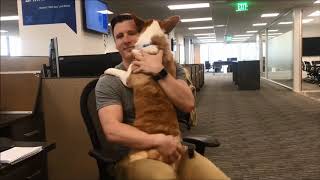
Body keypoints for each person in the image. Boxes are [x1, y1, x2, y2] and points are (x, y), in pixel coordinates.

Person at [95, 13, 230, 180]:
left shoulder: (171, 68)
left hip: (175, 151)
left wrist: (160, 72)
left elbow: (188, 104)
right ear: (116, 44)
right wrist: (157, 141)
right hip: (136, 156)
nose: (126, 40)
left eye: (132, 33)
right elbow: (112, 130)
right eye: (119, 36)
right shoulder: (109, 81)